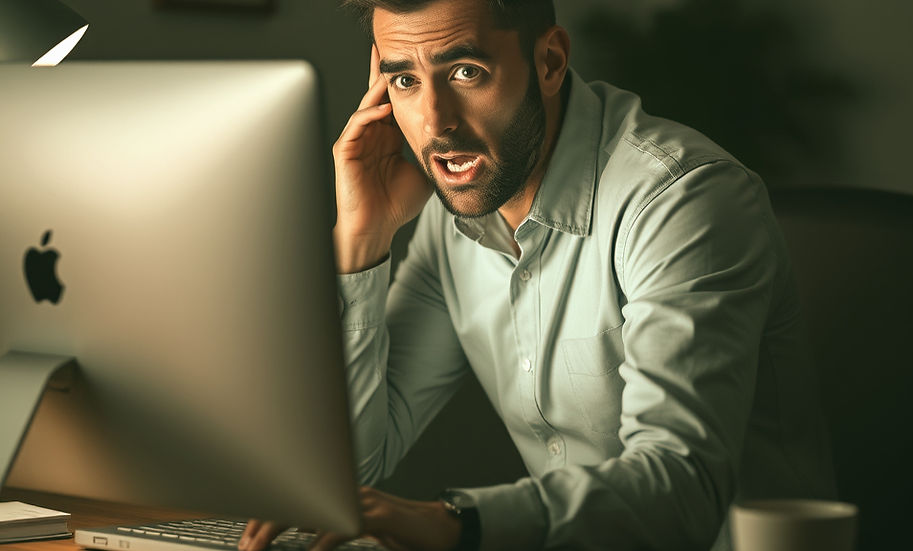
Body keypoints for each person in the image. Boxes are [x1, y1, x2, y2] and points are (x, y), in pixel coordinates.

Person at [239, 0, 836, 549]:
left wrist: (452, 523)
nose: (435, 122)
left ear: (549, 62)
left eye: (466, 72)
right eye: (405, 80)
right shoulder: (453, 222)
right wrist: (362, 239)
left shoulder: (683, 201)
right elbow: (351, 467)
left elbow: (683, 491)